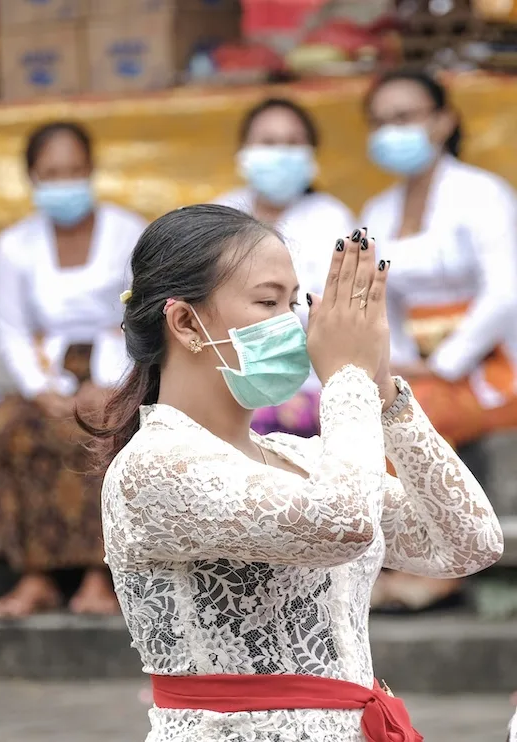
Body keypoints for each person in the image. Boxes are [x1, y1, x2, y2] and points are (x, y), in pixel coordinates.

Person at [89, 206, 502, 741]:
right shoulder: (154, 466)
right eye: (267, 301)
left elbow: (467, 543)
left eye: (293, 302)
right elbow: (343, 525)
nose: (295, 325)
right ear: (186, 322)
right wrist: (346, 379)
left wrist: (384, 393)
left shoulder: (300, 457)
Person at [361, 68, 517, 613]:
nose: (391, 131)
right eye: (380, 122)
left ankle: (441, 566)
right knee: (369, 404)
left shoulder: (483, 194)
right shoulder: (377, 211)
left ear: (444, 120)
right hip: (413, 365)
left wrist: (444, 364)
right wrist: (400, 360)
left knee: (412, 410)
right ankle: (383, 561)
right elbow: (380, 297)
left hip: (488, 364)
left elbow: (505, 293)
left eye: (404, 117)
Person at [0, 121, 146, 618]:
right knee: (7, 431)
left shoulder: (128, 230)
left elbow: (142, 313)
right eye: (51, 172)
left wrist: (114, 386)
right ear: (31, 177)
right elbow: (9, 327)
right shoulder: (14, 245)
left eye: (74, 170)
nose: (64, 181)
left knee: (103, 429)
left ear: (92, 170)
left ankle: (102, 577)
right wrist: (39, 390)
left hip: (115, 370)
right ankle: (34, 575)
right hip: (45, 371)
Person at [214, 98, 354, 438]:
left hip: (313, 381)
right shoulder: (219, 213)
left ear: (311, 155)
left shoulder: (333, 218)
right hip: (226, 377)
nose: (280, 153)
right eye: (268, 142)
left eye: (293, 143)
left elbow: (340, 311)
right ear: (243, 152)